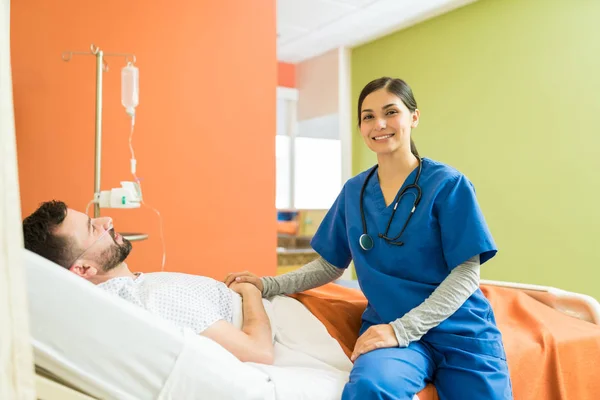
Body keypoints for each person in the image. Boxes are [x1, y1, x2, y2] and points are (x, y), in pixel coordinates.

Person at [226, 77, 513, 399]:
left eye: (391, 112)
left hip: (459, 331)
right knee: (370, 387)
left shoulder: (448, 184)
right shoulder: (354, 192)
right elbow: (330, 265)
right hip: (389, 329)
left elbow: (466, 272)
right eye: (368, 116)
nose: (379, 124)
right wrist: (267, 284)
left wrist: (403, 329)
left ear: (413, 117)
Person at [22, 200, 274, 365]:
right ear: (84, 268)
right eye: (92, 228)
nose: (106, 221)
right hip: (271, 320)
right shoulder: (155, 299)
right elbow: (259, 352)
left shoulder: (135, 290)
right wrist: (250, 290)